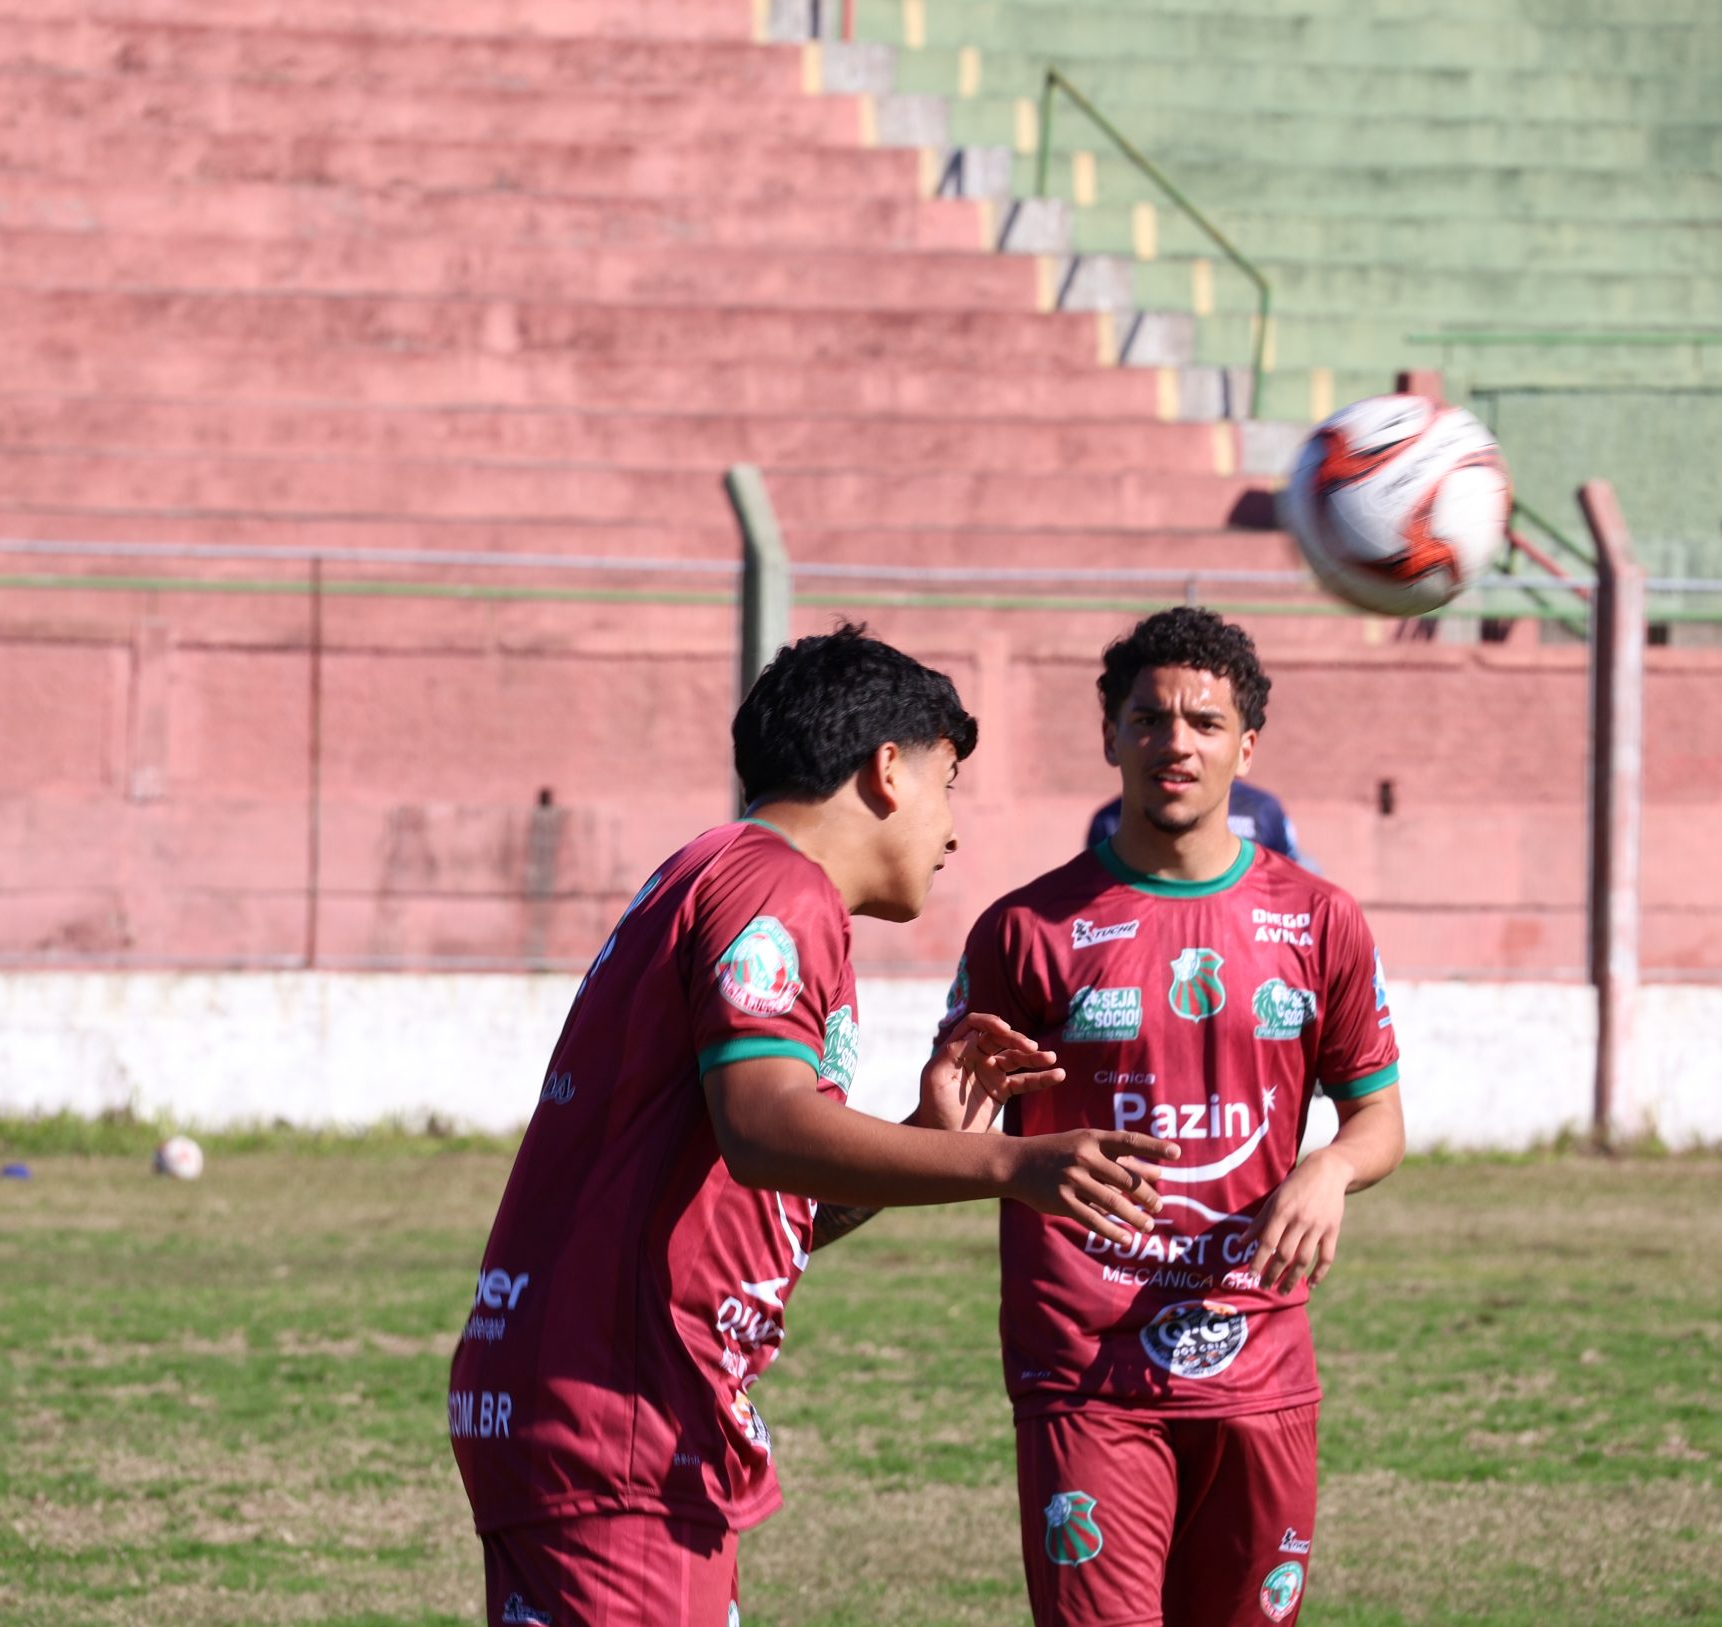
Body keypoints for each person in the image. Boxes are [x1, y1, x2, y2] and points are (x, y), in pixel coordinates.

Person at [447, 625, 1181, 1627]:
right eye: (949, 782)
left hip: (592, 1400)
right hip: (618, 1411)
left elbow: (752, 1191)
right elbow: (762, 1128)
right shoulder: (776, 885)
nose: (953, 829)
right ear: (887, 770)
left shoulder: (711, 873)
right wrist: (1008, 1159)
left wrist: (925, 1133)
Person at [947, 606, 1407, 1627]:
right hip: (1086, 1363)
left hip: (1259, 1355)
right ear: (1109, 734)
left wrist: (1328, 1170)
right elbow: (959, 1133)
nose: (1175, 743)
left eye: (1204, 723)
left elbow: (1379, 1119)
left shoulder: (1320, 920)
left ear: (1246, 745)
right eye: (1149, 719)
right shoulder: (1027, 931)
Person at [1087, 777, 1315, 870]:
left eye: (1206, 726)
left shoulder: (1264, 808)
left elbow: (1289, 876)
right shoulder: (1109, 819)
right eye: (1150, 722)